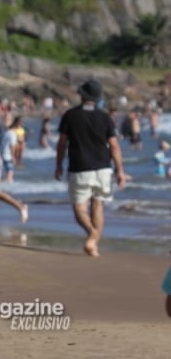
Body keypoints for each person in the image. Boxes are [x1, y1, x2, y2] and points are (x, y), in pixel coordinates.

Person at [55, 79, 126, 257]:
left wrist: (58, 165)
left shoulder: (70, 115)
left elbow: (62, 143)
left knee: (79, 208)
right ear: (97, 97)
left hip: (79, 168)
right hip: (103, 167)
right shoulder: (105, 117)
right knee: (98, 206)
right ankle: (93, 244)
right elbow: (115, 146)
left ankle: (92, 235)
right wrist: (120, 170)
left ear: (82, 95)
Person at [0, 117, 18, 182]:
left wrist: (13, 156)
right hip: (3, 155)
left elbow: (12, 146)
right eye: (4, 120)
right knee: (6, 173)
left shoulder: (11, 133)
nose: (4, 122)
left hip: (7, 156)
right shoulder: (5, 132)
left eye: (7, 121)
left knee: (8, 173)